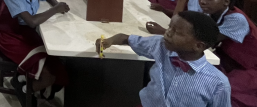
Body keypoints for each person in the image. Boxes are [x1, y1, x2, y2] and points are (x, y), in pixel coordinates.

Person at [97, 11, 231, 107]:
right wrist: (109, 40)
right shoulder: (161, 45)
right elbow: (127, 38)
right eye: (169, 27)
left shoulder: (218, 83)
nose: (167, 33)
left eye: (176, 32)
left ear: (198, 46)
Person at [0, 0, 70, 106]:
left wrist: (56, 4)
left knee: (58, 67)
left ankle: (23, 80)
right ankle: (24, 88)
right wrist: (55, 9)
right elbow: (32, 22)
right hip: (10, 36)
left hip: (25, 33)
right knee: (48, 74)